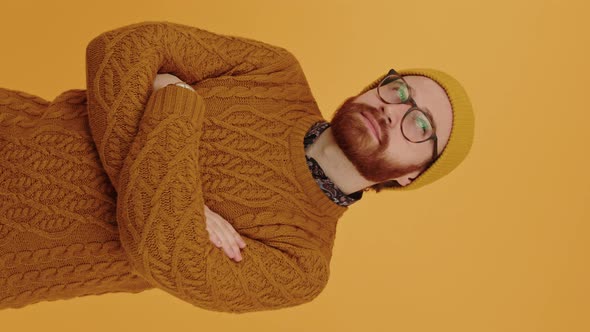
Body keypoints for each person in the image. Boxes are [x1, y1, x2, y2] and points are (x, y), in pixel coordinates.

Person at [0, 21, 474, 313]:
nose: (395, 109)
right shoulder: (274, 72)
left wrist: (173, 98)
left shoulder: (301, 263)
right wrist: (175, 204)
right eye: (399, 90)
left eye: (419, 124)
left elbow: (163, 254)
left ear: (411, 175)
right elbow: (121, 48)